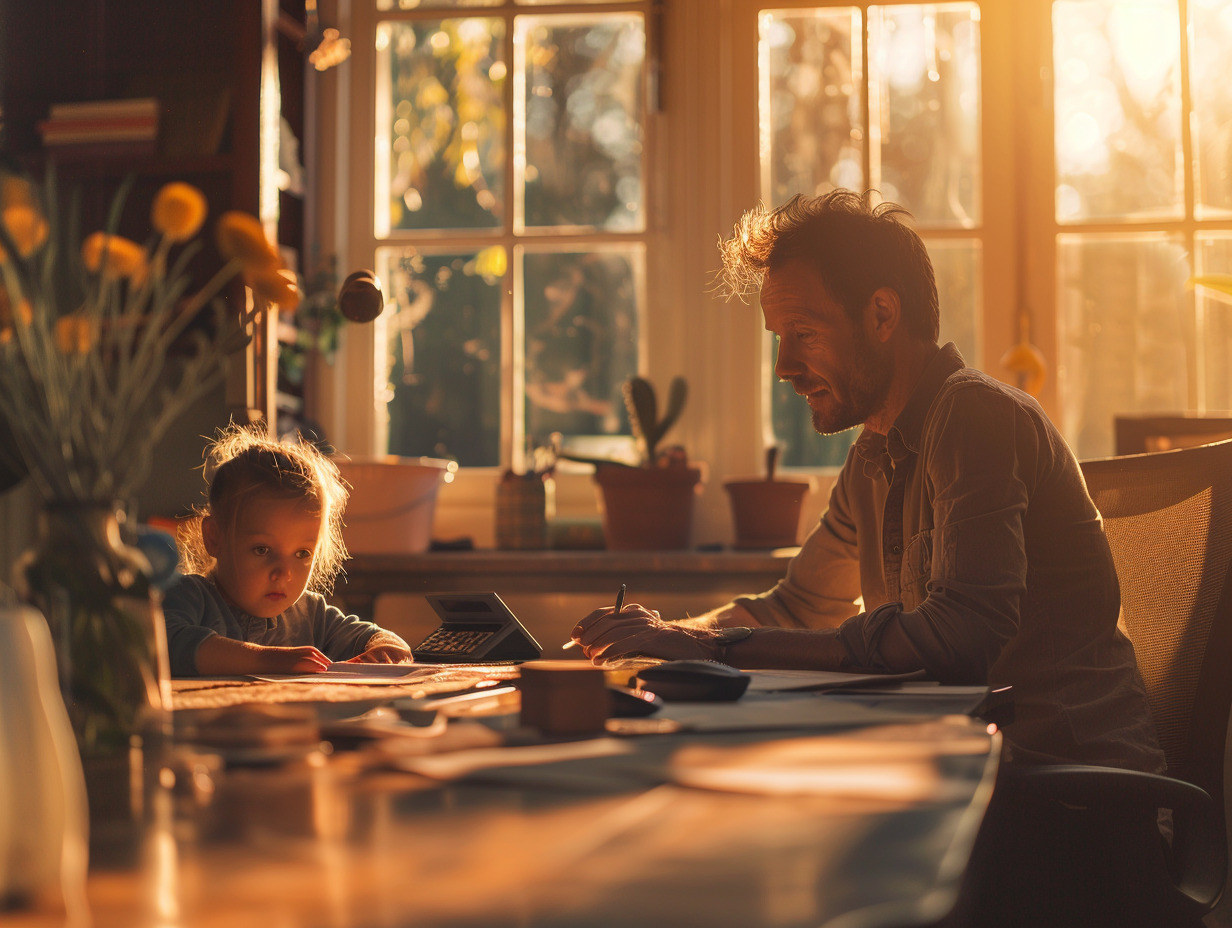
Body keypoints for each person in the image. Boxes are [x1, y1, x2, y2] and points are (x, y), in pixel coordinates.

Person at [570, 189, 1163, 774]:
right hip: (974, 780)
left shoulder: (976, 415)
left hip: (1072, 800)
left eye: (803, 333)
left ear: (882, 313)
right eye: (778, 338)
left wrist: (704, 647)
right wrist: (652, 640)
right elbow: (798, 608)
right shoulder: (873, 455)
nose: (784, 366)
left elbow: (958, 636)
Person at [163, 426, 413, 676]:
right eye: (262, 550)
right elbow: (167, 645)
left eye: (302, 553)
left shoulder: (311, 614)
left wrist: (384, 650)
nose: (284, 573)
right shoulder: (189, 596)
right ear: (214, 537)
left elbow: (383, 639)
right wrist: (268, 661)